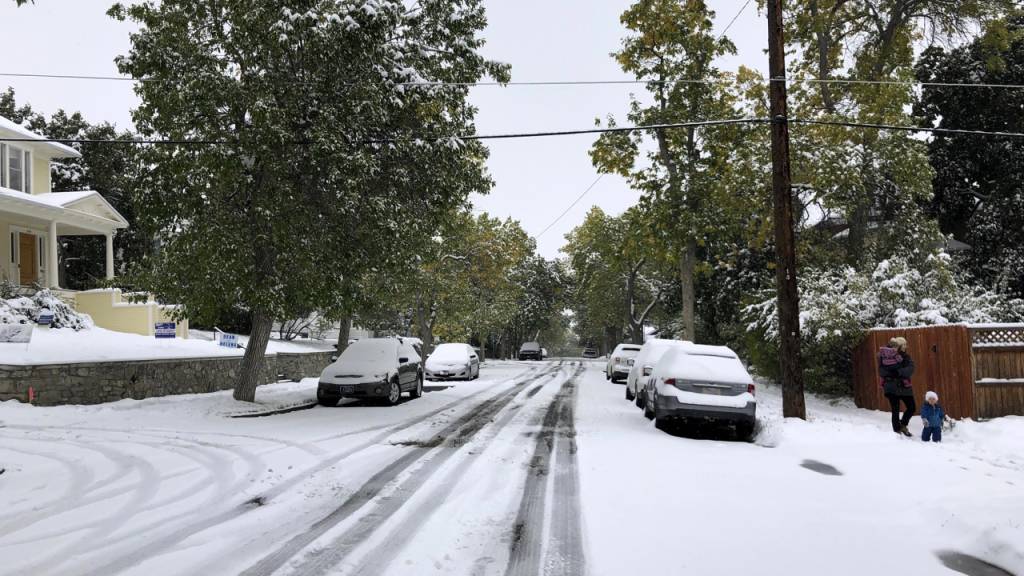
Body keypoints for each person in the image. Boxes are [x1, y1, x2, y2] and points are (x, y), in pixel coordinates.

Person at [879, 336, 915, 437]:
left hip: (905, 386)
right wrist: (892, 373)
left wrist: (898, 372)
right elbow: (881, 370)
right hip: (891, 386)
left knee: (912, 407)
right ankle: (896, 431)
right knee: (895, 409)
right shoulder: (885, 356)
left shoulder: (906, 357)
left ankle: (903, 424)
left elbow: (910, 369)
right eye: (904, 345)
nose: (905, 347)